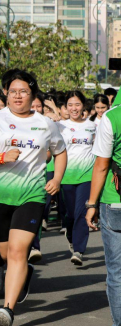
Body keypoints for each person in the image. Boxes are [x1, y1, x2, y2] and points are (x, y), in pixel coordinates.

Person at [0, 69, 66, 326]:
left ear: (32, 94)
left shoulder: (46, 123)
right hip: (2, 196)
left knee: (17, 251)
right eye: (13, 91)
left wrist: (57, 179)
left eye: (23, 91)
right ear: (6, 93)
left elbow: (60, 152)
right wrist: (1, 157)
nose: (17, 95)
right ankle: (22, 273)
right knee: (6, 253)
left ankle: (8, 308)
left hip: (33, 194)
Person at [86, 98, 121, 326]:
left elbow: (101, 165)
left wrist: (91, 204)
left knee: (117, 273)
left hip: (115, 201)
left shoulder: (111, 117)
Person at [57, 91, 95, 265]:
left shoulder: (93, 126)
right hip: (66, 176)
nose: (74, 108)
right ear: (65, 107)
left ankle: (79, 250)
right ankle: (71, 235)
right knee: (70, 214)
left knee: (81, 212)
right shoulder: (60, 126)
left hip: (87, 175)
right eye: (70, 105)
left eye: (77, 104)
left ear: (83, 106)